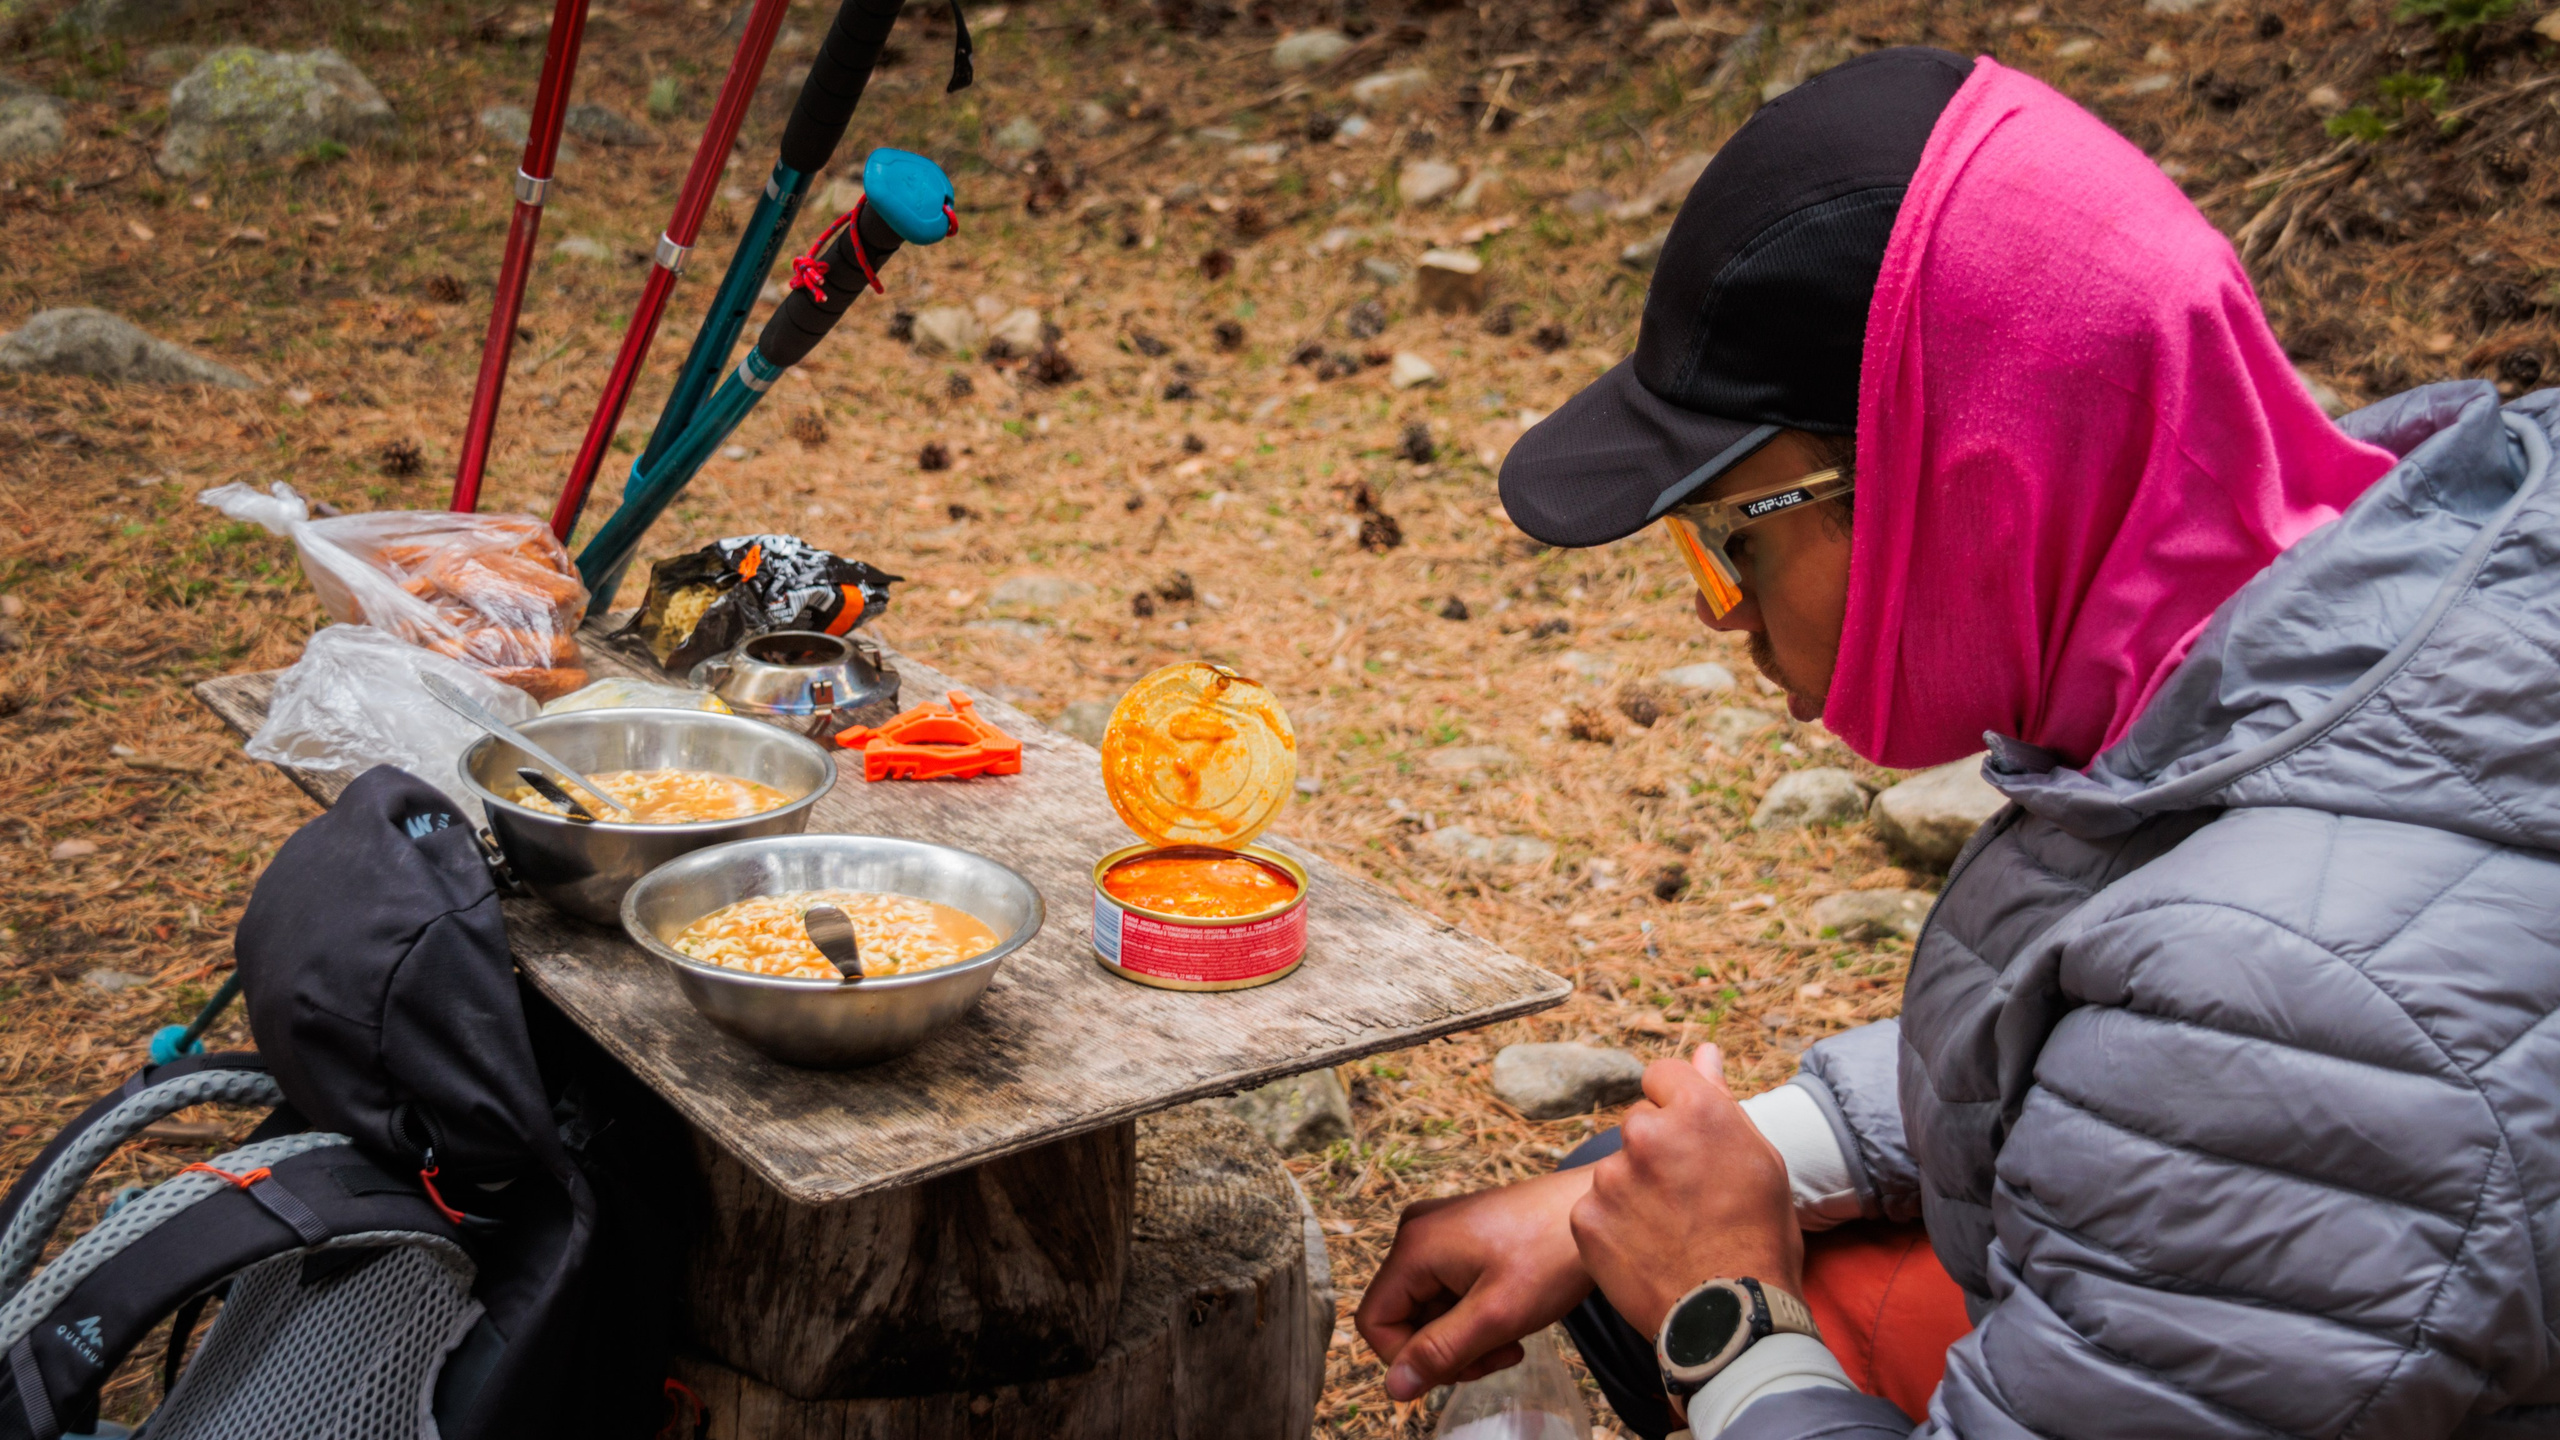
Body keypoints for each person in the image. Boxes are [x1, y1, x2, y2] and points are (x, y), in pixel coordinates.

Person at [1356, 45, 2560, 1440]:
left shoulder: (2290, 987)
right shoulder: (2305, 621)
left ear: (1959, 479)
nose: (1718, 611)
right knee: (1626, 1200)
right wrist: (1768, 1151)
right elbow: (2146, 1062)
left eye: (1730, 537)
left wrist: (1723, 1313)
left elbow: (2242, 1053)